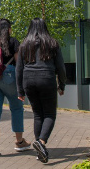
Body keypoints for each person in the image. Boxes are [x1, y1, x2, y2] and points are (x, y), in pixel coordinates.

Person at [16, 18, 67, 164]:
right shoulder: (52, 43)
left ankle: (40, 152)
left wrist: (20, 91)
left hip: (28, 81)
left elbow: (19, 69)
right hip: (46, 79)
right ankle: (42, 142)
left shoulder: (24, 44)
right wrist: (61, 85)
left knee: (38, 114)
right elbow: (61, 68)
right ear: (45, 27)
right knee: (50, 114)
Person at [0, 18, 31, 158]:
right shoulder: (12, 41)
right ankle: (19, 142)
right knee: (16, 108)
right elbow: (19, 63)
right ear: (8, 29)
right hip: (7, 76)